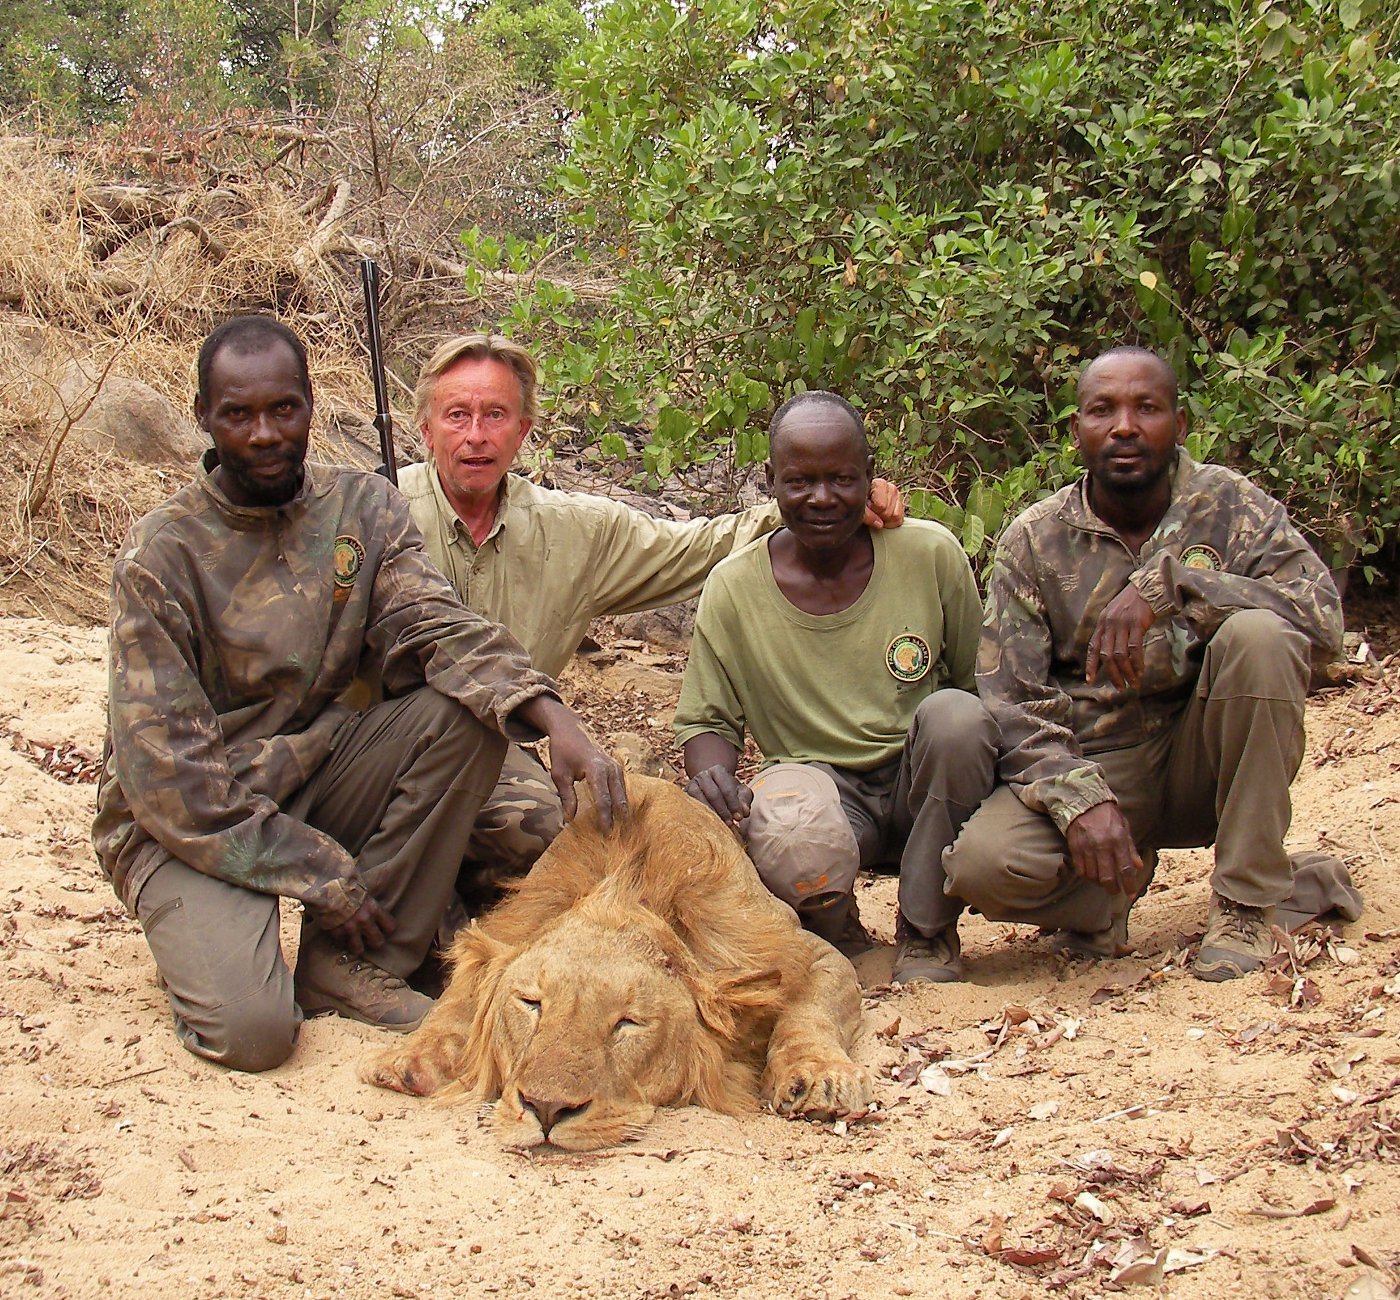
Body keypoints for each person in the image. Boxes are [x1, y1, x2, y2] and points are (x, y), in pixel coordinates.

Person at [93, 315, 626, 1074]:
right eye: (239, 414)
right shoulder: (161, 555)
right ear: (205, 419)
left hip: (309, 772)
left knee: (461, 714)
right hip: (185, 820)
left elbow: (437, 627)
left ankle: (349, 964)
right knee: (253, 1033)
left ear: (311, 404)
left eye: (284, 409)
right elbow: (170, 783)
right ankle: (222, 942)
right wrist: (320, 872)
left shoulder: (362, 510)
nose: (266, 433)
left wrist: (553, 719)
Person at [396, 334, 905, 881]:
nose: (476, 435)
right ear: (426, 428)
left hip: (490, 751)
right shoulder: (378, 508)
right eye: (457, 415)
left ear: (523, 431)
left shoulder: (571, 531)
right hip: (386, 740)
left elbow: (693, 548)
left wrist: (820, 500)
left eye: (495, 414)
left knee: (551, 836)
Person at [943, 346, 1349, 981]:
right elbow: (1009, 701)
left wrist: (1181, 586)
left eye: (1147, 408)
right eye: (1103, 410)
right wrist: (1079, 800)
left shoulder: (1229, 506)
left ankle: (1246, 901)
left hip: (1211, 753)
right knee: (983, 867)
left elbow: (1323, 627)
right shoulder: (1034, 539)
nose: (1125, 426)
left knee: (1261, 638)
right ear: (1077, 433)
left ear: (1180, 424)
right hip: (1102, 759)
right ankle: (1126, 895)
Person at [672, 391, 995, 983]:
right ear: (770, 481)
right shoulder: (734, 588)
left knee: (959, 718)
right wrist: (711, 774)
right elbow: (706, 722)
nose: (822, 499)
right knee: (793, 830)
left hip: (924, 786)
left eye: (843, 479)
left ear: (871, 477)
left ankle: (927, 932)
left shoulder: (929, 554)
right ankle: (834, 924)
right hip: (820, 792)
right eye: (801, 481)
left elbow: (985, 688)